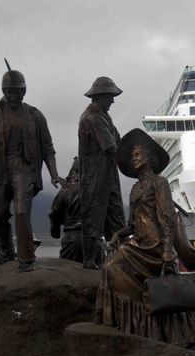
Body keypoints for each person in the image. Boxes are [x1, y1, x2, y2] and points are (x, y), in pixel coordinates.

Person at [95, 128, 195, 349]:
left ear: (150, 158)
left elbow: (168, 218)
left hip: (155, 244)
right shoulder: (135, 188)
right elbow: (132, 224)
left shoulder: (159, 183)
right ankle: (133, 322)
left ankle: (135, 321)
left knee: (112, 265)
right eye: (132, 156)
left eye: (138, 155)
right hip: (139, 242)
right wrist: (118, 234)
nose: (134, 159)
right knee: (109, 268)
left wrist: (167, 250)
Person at [0, 67, 65, 272]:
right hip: (0, 170)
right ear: (3, 91)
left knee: (22, 211)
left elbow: (48, 147)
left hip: (25, 169)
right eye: (9, 91)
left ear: (24, 91)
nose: (13, 95)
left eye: (17, 91)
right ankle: (5, 251)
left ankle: (26, 257)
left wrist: (54, 173)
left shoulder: (35, 115)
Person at [78, 77, 126, 269]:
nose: (113, 101)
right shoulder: (92, 118)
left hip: (108, 175)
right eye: (110, 97)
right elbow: (111, 147)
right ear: (100, 97)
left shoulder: (105, 117)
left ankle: (123, 260)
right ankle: (89, 260)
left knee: (117, 219)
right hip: (95, 177)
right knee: (93, 218)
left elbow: (119, 141)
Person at [49, 157, 83, 263]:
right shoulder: (99, 189)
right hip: (95, 240)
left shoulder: (67, 189)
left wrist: (55, 229)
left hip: (72, 239)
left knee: (67, 272)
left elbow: (54, 212)